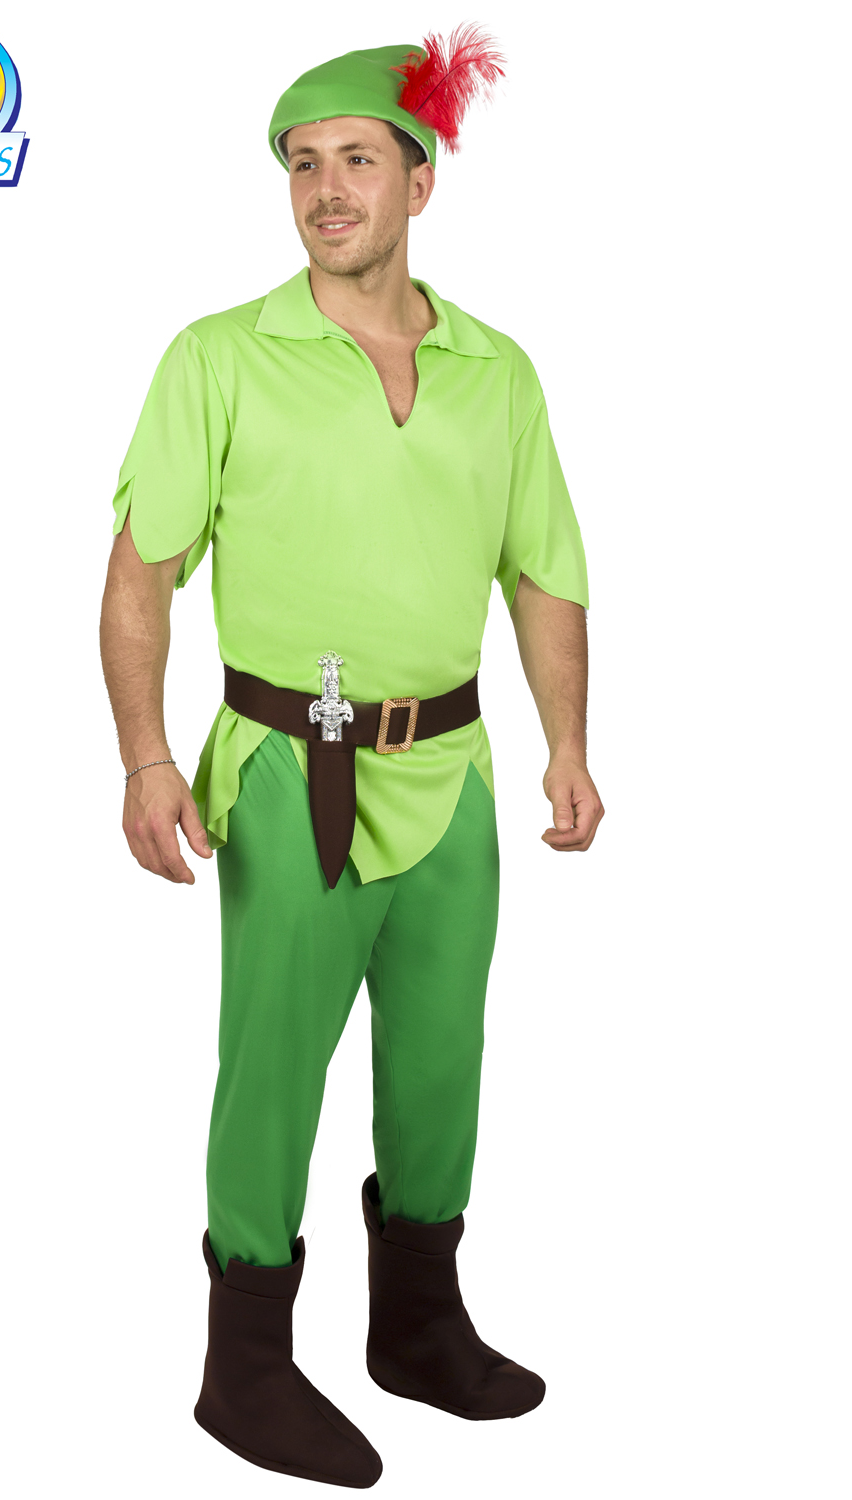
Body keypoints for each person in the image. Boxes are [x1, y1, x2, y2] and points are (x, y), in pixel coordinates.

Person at [100, 29, 603, 1490]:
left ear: (419, 182)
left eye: (358, 161)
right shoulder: (219, 357)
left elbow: (543, 572)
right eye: (304, 165)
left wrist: (569, 744)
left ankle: (418, 1327)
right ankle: (245, 1366)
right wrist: (144, 759)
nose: (327, 190)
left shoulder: (497, 372)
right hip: (286, 770)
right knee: (270, 1069)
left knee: (443, 1061)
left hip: (455, 773)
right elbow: (140, 576)